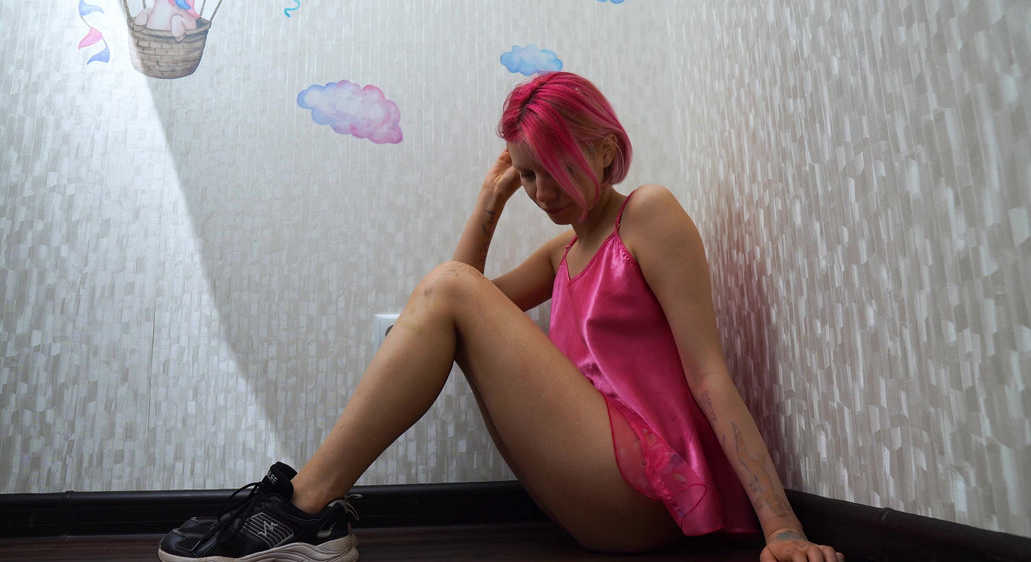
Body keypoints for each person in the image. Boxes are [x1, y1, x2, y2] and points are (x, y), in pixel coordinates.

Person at [157, 72, 844, 562]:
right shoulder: (561, 254)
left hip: (644, 488)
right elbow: (437, 322)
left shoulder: (649, 215)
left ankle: (300, 510)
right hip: (588, 495)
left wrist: (781, 528)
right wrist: (489, 204)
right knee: (450, 294)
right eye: (527, 175)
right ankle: (303, 511)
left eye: (551, 168)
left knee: (453, 288)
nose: (540, 193)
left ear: (605, 148)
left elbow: (709, 375)